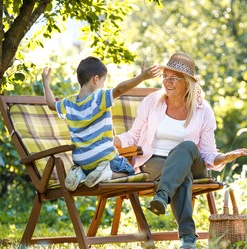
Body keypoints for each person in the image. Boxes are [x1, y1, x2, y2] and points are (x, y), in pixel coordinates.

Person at [114, 52, 247, 249]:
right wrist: (111, 142)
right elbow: (133, 136)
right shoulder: (153, 101)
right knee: (181, 174)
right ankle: (187, 238)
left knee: (187, 147)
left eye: (174, 78)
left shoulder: (203, 110)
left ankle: (162, 195)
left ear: (187, 83)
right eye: (165, 76)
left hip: (193, 163)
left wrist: (223, 158)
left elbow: (208, 152)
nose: (167, 82)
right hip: (154, 161)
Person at [42, 56, 160, 191]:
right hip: (103, 157)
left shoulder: (69, 103)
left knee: (92, 169)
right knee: (130, 172)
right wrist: (142, 77)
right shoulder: (99, 98)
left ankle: (80, 174)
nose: (104, 86)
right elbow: (120, 89)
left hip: (81, 161)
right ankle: (107, 174)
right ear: (96, 79)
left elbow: (51, 104)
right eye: (103, 82)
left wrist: (46, 83)